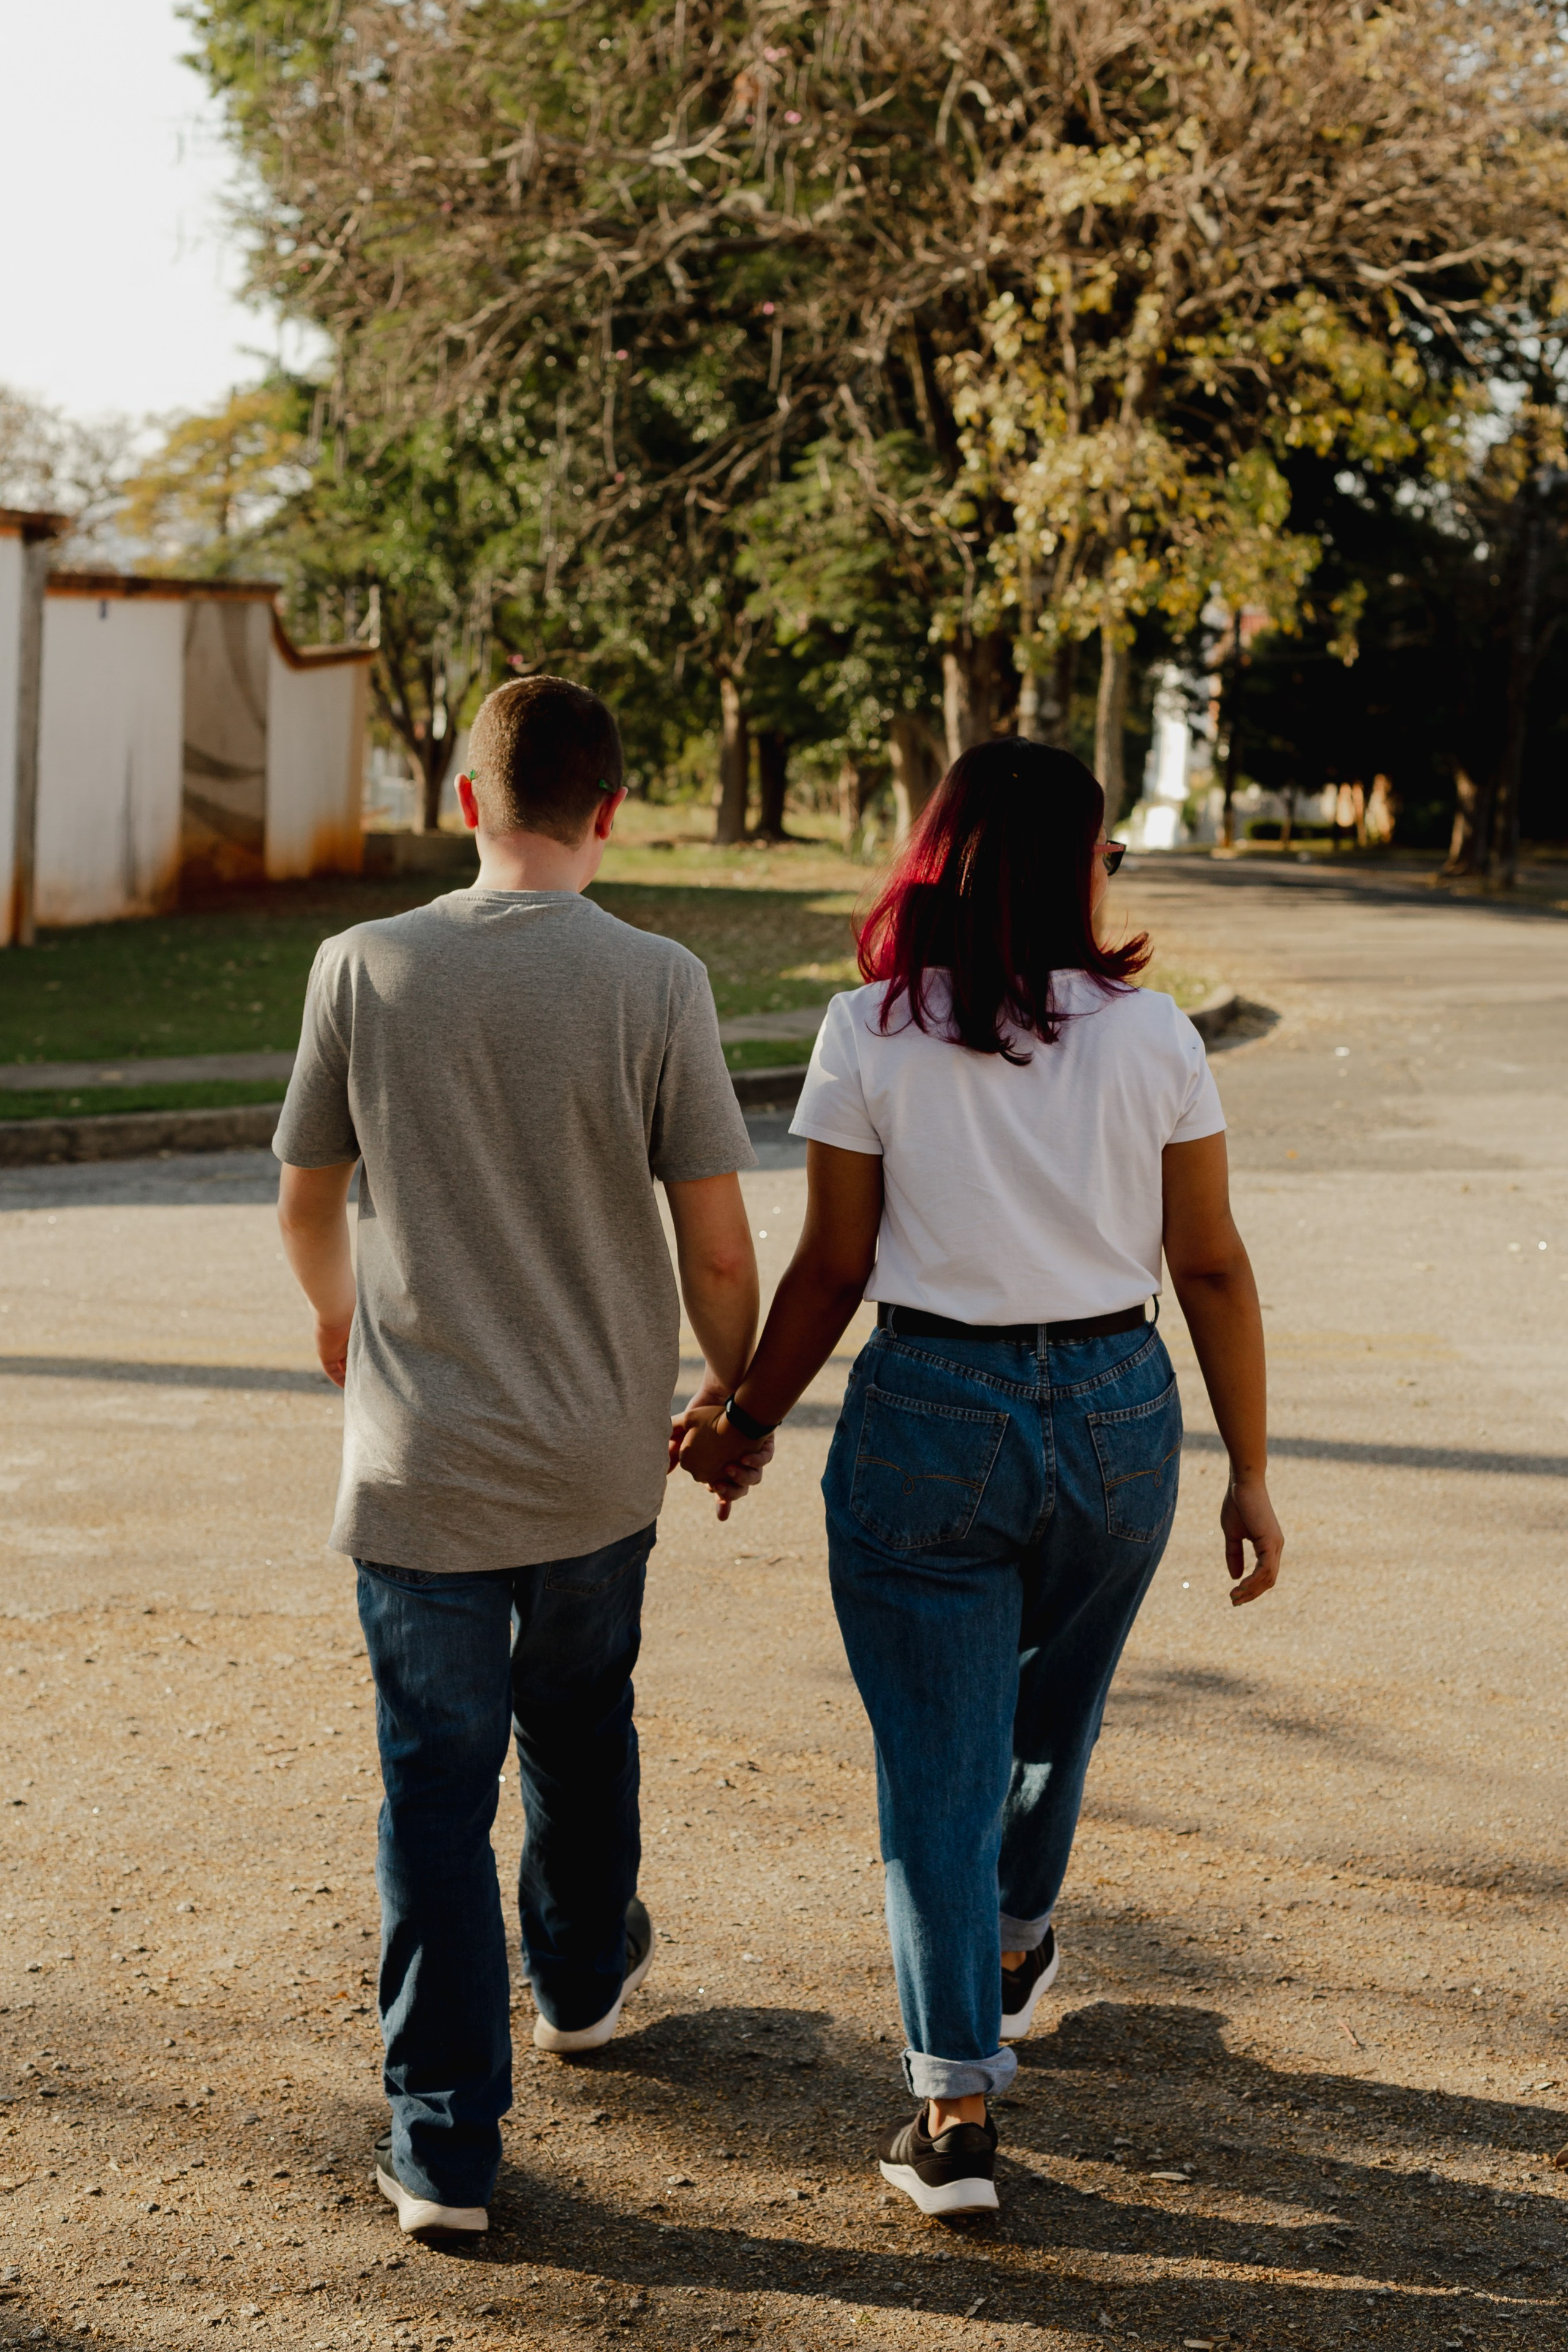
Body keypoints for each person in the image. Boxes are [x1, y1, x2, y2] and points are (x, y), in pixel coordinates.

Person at [680, 740, 1283, 2218]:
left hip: (930, 1407)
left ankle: (953, 2110)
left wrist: (745, 1415)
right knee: (1051, 1708)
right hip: (1117, 1409)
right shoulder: (1153, 1039)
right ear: (1073, 866)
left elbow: (831, 1263)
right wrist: (1247, 1473)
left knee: (932, 1771)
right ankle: (1013, 1935)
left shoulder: (867, 1031)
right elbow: (1203, 1262)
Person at [274, 676, 766, 2242]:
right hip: (595, 1463)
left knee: (432, 1791)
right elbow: (718, 1244)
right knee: (578, 1724)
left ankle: (442, 2147)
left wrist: (340, 1317)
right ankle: (576, 1981)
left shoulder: (364, 966)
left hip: (419, 1468)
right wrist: (730, 1397)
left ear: (462, 803)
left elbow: (304, 1195)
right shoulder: (660, 980)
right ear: (609, 809)